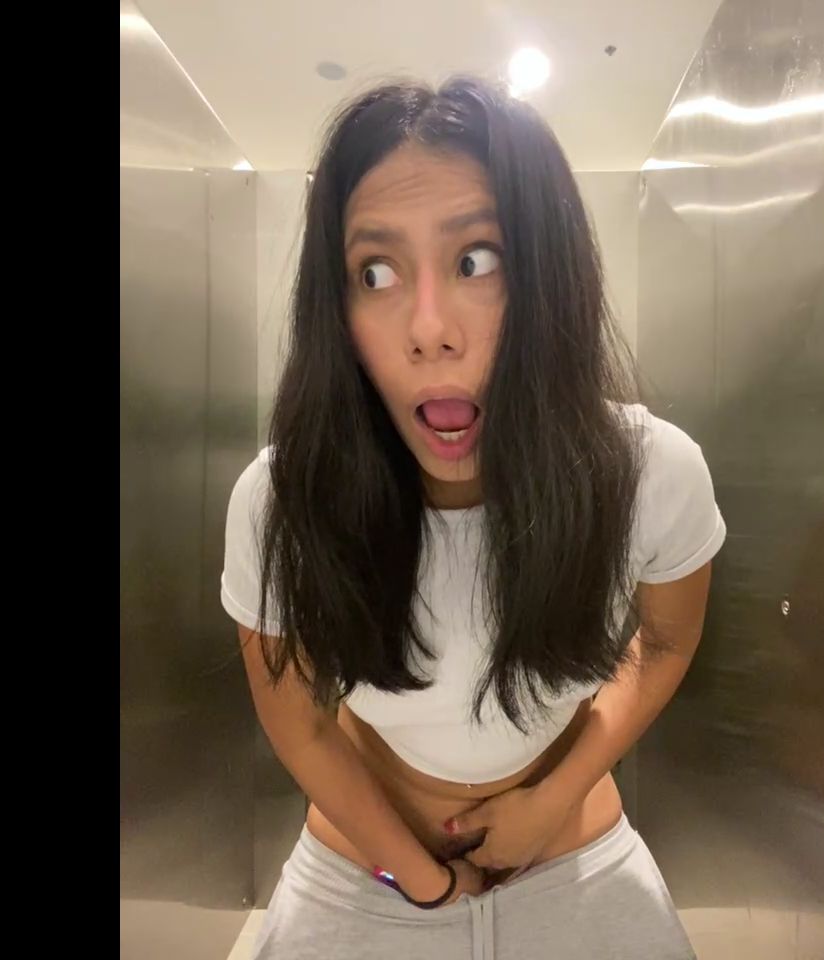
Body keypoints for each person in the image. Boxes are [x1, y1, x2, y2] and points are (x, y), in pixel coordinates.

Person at [221, 74, 725, 960]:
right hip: (360, 880)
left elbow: (668, 641)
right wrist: (415, 877)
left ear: (550, 275)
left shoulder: (650, 473)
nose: (430, 329)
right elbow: (294, 717)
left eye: (477, 259)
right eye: (375, 272)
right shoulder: (282, 501)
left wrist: (553, 800)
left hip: (578, 864)